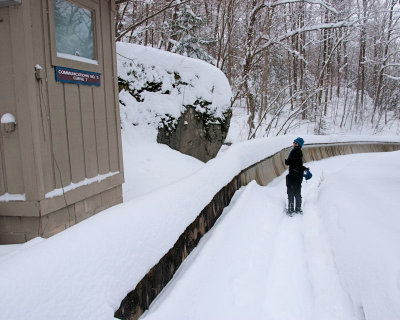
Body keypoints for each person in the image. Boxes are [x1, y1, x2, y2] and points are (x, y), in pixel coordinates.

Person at [285, 137, 306, 214]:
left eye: (295, 143)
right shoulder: (300, 152)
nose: (294, 144)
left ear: (299, 145)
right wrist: (304, 168)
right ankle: (298, 208)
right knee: (297, 191)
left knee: (290, 192)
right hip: (298, 176)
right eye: (293, 142)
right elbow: (299, 164)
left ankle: (291, 210)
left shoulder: (294, 152)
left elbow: (289, 162)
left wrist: (287, 161)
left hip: (292, 176)